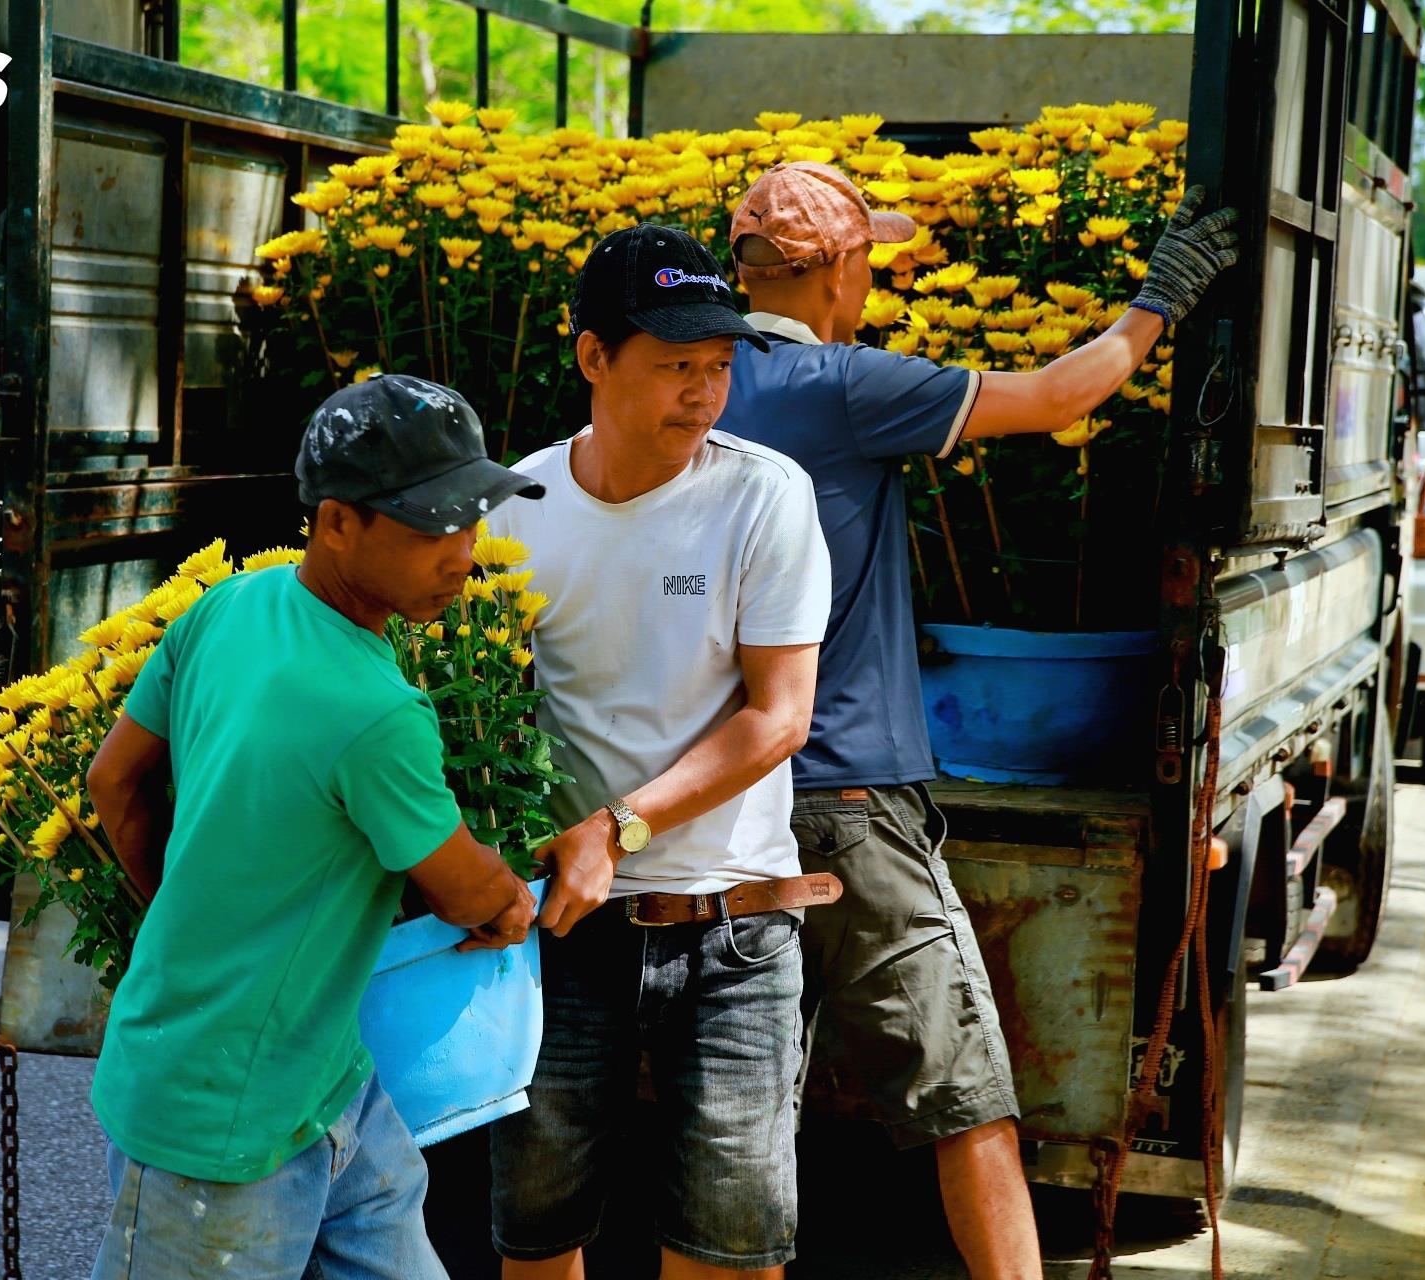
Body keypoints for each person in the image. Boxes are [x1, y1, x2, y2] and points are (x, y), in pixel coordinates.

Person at [711, 161, 1240, 1279]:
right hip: (846, 800)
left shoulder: (695, 378)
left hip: (717, 803)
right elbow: (1059, 396)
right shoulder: (845, 386)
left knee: (752, 1109)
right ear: (839, 273)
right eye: (866, 267)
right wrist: (1161, 300)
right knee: (967, 1098)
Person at [83, 374, 544, 1280]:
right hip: (224, 1122)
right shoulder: (376, 711)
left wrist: (193, 924)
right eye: (431, 527)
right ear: (337, 522)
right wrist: (513, 903)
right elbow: (466, 889)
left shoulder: (229, 608)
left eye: (472, 520)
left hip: (322, 1078)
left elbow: (113, 783)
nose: (464, 554)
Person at [487, 223, 838, 1280]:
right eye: (676, 365)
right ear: (594, 357)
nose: (704, 392)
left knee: (729, 1254)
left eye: (719, 366)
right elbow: (481, 714)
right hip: (563, 930)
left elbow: (779, 716)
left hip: (734, 928)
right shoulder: (517, 507)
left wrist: (618, 824)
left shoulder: (763, 494)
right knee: (538, 1237)